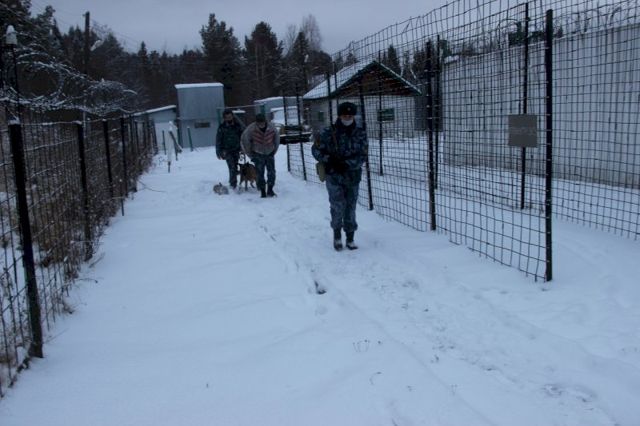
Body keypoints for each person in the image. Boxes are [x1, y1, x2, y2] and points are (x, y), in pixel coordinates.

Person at [312, 102, 368, 251]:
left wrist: (347, 164)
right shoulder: (328, 132)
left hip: (352, 176)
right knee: (337, 206)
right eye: (344, 115)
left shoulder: (360, 133)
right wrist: (329, 160)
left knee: (350, 207)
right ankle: (337, 235)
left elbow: (363, 155)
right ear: (339, 115)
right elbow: (315, 150)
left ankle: (350, 238)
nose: (347, 117)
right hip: (334, 176)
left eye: (350, 115)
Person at [241, 113, 279, 198]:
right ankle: (262, 191)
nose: (261, 124)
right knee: (259, 173)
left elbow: (277, 138)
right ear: (256, 122)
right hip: (258, 153)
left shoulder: (272, 127)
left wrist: (274, 150)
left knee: (271, 172)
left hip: (270, 152)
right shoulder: (250, 129)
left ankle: (270, 189)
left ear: (265, 121)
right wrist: (251, 155)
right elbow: (245, 141)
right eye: (259, 122)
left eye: (262, 122)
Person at [216, 108, 245, 189]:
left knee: (235, 166)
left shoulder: (237, 126)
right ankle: (233, 184)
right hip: (226, 151)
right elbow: (218, 140)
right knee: (232, 166)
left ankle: (234, 181)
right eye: (227, 117)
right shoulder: (222, 127)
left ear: (232, 116)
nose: (229, 118)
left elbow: (242, 137)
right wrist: (218, 151)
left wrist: (243, 148)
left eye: (230, 116)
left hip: (236, 150)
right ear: (224, 118)